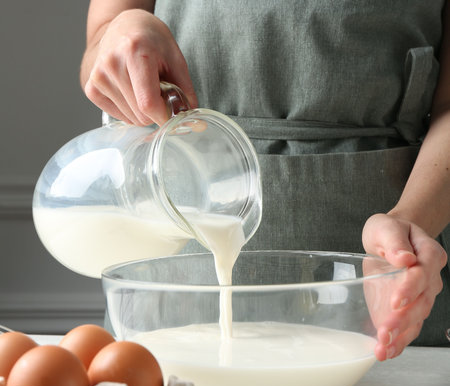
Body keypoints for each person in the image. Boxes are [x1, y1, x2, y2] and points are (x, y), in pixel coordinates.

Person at [79, 0, 450, 361]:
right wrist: (120, 31)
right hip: (172, 258)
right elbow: (99, 46)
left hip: (383, 288)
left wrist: (409, 222)